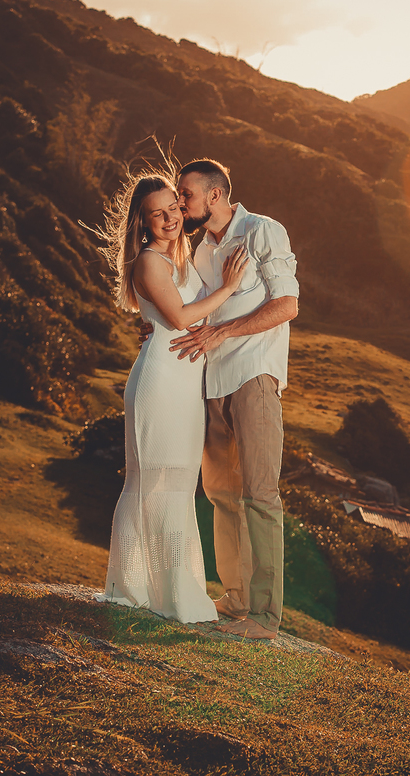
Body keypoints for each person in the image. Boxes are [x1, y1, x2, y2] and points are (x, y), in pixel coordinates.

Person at [145, 158, 299, 640]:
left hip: (254, 376)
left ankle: (266, 618)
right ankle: (236, 598)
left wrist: (223, 332)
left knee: (259, 494)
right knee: (221, 495)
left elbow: (287, 303)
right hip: (208, 384)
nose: (180, 204)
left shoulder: (262, 231)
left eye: (185, 195)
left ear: (214, 195)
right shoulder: (199, 249)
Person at [95, 165, 249, 623]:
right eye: (155, 214)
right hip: (160, 382)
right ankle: (132, 589)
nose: (168, 218)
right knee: (149, 483)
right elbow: (182, 319)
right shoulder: (148, 261)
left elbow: (174, 315)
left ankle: (174, 591)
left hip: (186, 386)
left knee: (180, 486)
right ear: (142, 222)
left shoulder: (183, 256)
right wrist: (228, 289)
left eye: (173, 208)